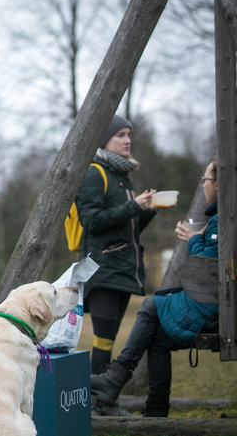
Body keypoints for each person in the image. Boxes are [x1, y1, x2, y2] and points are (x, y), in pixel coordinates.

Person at [90, 157, 219, 417]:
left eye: (205, 179)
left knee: (151, 305)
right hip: (214, 305)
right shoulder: (219, 219)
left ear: (218, 184)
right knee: (158, 339)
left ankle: (115, 376)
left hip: (212, 308)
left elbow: (209, 267)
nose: (203, 184)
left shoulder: (221, 219)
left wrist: (194, 239)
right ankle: (155, 412)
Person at [76, 114, 159, 373]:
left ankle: (101, 397)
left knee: (109, 339)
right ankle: (97, 399)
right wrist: (133, 206)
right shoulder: (94, 173)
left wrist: (147, 210)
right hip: (103, 268)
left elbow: (127, 229)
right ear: (105, 140)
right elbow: (91, 221)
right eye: (120, 135)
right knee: (103, 339)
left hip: (122, 268)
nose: (127, 140)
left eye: (129, 135)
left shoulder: (123, 176)